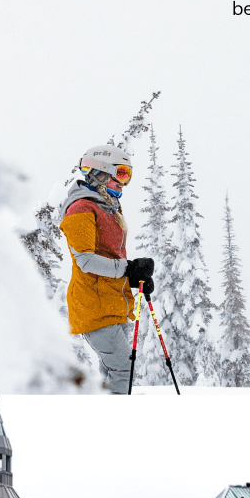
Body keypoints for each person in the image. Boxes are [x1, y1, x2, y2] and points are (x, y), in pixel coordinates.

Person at [57, 143, 156, 394]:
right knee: (124, 368)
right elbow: (86, 260)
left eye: (128, 176)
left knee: (117, 370)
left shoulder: (108, 208)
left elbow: (109, 258)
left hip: (114, 302)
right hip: (93, 304)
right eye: (121, 174)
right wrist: (127, 268)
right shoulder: (81, 208)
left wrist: (133, 278)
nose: (125, 182)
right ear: (101, 171)